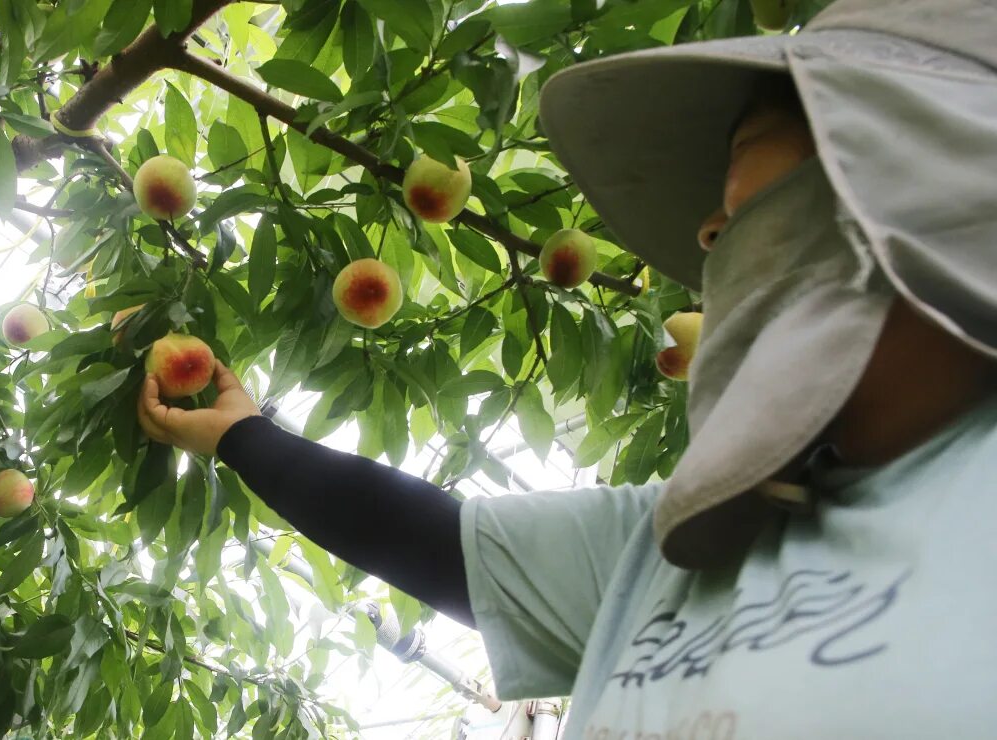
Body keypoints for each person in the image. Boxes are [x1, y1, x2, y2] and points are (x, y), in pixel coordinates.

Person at [141, 1, 997, 736]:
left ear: (929, 158)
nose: (708, 234)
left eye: (756, 147)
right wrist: (242, 436)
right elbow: (435, 541)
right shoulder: (687, 534)